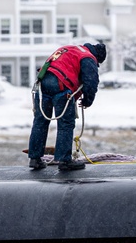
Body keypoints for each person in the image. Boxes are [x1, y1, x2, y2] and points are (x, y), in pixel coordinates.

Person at [28, 42, 106, 171]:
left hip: (41, 84)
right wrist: (87, 100)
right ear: (97, 56)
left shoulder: (70, 49)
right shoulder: (88, 57)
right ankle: (64, 160)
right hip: (61, 85)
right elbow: (91, 81)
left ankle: (35, 159)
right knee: (65, 124)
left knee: (40, 122)